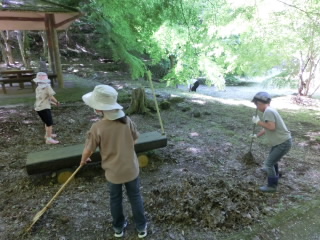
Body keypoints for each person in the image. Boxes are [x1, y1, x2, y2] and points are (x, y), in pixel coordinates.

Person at [80, 85, 147, 238]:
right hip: (131, 169)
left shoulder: (97, 127)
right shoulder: (127, 121)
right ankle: (141, 227)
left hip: (113, 172)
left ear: (99, 109)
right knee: (135, 196)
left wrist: (83, 160)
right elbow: (135, 140)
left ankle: (118, 228)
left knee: (115, 199)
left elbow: (88, 150)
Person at [251, 92, 292, 193]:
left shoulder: (268, 112)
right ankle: (276, 175)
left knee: (268, 164)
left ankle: (272, 186)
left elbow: (271, 127)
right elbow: (266, 128)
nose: (257, 106)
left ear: (260, 103)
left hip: (283, 142)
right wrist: (256, 135)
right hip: (281, 142)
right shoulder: (270, 110)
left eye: (256, 104)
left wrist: (258, 122)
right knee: (272, 161)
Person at [33, 72, 60, 144]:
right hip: (44, 108)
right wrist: (57, 102)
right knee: (49, 124)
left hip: (38, 108)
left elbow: (43, 99)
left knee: (46, 122)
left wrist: (53, 103)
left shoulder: (38, 88)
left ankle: (47, 134)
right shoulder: (47, 87)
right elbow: (51, 97)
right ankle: (49, 139)